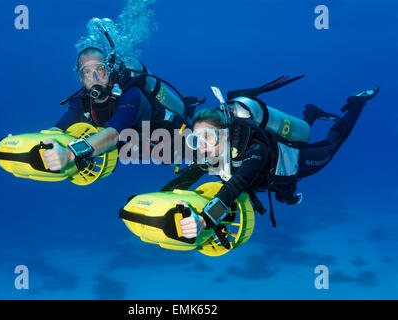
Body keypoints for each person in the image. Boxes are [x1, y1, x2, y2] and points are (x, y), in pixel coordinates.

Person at [164, 87, 379, 240]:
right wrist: (158, 197)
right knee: (285, 190)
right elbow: (186, 178)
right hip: (269, 180)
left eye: (208, 137)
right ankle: (311, 114)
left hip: (294, 163)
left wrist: (203, 221)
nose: (202, 146)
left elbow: (235, 186)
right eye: (196, 140)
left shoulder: (255, 148)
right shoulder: (209, 155)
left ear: (226, 133)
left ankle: (356, 103)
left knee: (330, 147)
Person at [42, 21, 203, 172]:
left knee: (188, 150)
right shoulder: (80, 102)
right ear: (80, 78)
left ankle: (194, 112)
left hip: (164, 136)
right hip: (135, 144)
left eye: (100, 69)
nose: (96, 78)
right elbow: (57, 129)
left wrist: (69, 154)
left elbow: (113, 134)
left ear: (109, 70)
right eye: (87, 73)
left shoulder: (130, 94)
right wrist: (30, 143)